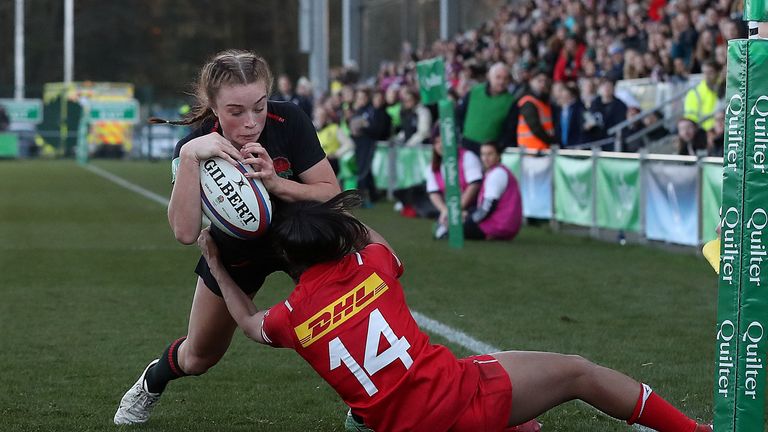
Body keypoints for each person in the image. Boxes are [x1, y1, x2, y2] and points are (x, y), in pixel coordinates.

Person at [196, 190, 713, 432]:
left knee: (522, 422)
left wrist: (218, 264)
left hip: (404, 422)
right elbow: (364, 234)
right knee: (576, 372)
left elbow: (245, 322)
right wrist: (307, 200)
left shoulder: (288, 317)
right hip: (455, 401)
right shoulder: (373, 265)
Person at [113, 49, 340, 425]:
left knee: (345, 314)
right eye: (236, 111)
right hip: (236, 250)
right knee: (199, 356)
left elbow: (330, 193)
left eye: (260, 106)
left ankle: (365, 405)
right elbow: (185, 232)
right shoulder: (196, 142)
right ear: (214, 107)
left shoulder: (290, 120)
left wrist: (276, 185)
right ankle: (153, 379)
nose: (251, 122)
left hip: (300, 237)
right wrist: (189, 157)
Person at [426, 125, 483, 239]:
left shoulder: (468, 157)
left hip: (474, 206)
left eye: (443, 141)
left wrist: (456, 209)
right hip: (450, 208)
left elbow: (474, 185)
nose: (440, 145)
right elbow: (433, 193)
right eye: (437, 142)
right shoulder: (433, 166)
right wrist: (445, 210)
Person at [464, 143, 523, 241]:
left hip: (499, 226)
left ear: (498, 155)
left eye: (490, 154)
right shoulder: (498, 171)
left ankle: (491, 235)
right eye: (483, 154)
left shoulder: (497, 174)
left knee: (455, 229)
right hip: (505, 225)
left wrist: (470, 221)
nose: (485, 158)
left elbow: (488, 207)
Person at [456, 62, 517, 154]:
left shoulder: (511, 102)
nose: (501, 81)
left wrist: (499, 146)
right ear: (490, 77)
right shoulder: (474, 91)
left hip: (490, 151)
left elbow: (509, 131)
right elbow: (459, 113)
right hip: (467, 145)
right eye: (498, 77)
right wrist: (460, 134)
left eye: (505, 78)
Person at [516, 68, 557, 151]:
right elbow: (535, 128)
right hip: (531, 149)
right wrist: (552, 142)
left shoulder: (543, 101)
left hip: (542, 149)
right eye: (539, 81)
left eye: (545, 81)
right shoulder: (528, 102)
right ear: (531, 81)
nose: (543, 84)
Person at [683, 61, 721, 131]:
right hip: (701, 133)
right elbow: (690, 117)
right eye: (705, 72)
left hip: (721, 131)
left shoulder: (724, 88)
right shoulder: (694, 93)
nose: (707, 76)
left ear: (718, 73)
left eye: (710, 72)